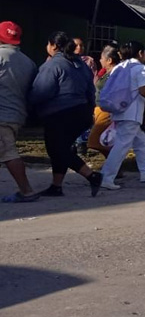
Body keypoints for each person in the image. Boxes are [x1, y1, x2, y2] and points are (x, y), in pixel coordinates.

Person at [28, 32, 102, 197]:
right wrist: (89, 109)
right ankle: (56, 186)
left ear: (53, 45)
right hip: (82, 112)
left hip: (60, 114)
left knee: (57, 149)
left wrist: (29, 102)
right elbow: (91, 89)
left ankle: (92, 176)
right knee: (61, 148)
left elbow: (41, 92)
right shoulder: (80, 64)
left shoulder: (53, 65)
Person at [98, 41, 145, 190]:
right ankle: (106, 176)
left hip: (119, 110)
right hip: (132, 112)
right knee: (122, 145)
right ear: (139, 53)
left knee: (140, 142)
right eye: (144, 53)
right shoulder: (140, 69)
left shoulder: (119, 67)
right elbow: (143, 91)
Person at [0, 22, 38, 202]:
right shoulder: (28, 62)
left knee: (8, 152)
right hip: (16, 114)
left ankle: (27, 191)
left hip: (1, 115)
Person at [85, 46, 120, 158]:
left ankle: (114, 164)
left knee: (95, 140)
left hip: (107, 111)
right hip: (100, 110)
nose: (100, 60)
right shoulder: (106, 73)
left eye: (102, 58)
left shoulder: (114, 74)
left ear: (109, 60)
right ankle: (113, 166)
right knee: (102, 141)